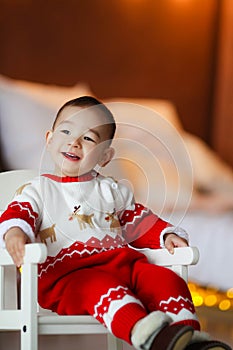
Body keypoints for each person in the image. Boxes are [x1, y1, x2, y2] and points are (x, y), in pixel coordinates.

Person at [0, 96, 230, 350]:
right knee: (103, 287)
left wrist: (165, 235)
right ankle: (150, 336)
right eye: (66, 131)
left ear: (105, 156)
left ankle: (187, 341)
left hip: (122, 266)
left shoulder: (112, 190)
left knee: (165, 279)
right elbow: (19, 213)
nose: (74, 142)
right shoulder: (39, 190)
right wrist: (15, 234)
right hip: (67, 277)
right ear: (49, 139)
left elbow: (139, 219)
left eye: (88, 138)